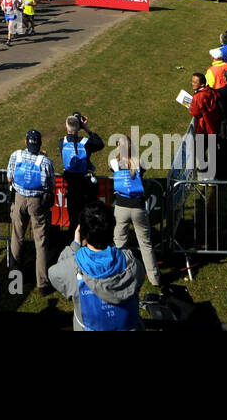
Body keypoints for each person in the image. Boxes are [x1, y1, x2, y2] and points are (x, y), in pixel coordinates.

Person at [48, 201, 142, 332]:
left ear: (82, 232)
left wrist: (75, 245)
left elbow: (54, 273)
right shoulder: (132, 265)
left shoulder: (72, 267)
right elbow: (140, 277)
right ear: (112, 229)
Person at [108, 136, 161, 289]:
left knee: (119, 243)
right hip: (138, 207)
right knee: (145, 244)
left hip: (122, 208)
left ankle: (119, 275)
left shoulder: (114, 163)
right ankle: (154, 278)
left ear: (119, 148)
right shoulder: (140, 163)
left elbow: (114, 164)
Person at [7, 129, 55, 296]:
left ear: (26, 142)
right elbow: (50, 185)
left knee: (17, 236)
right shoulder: (46, 162)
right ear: (40, 144)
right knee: (40, 241)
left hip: (19, 198)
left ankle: (14, 278)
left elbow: (9, 177)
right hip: (37, 202)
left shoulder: (16, 155)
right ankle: (42, 283)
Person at [59, 114, 102, 232]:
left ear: (66, 127)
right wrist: (86, 128)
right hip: (85, 186)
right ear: (79, 128)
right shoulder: (86, 142)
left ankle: (74, 245)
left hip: (71, 187)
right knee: (87, 219)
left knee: (73, 220)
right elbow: (99, 143)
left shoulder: (62, 142)